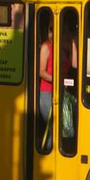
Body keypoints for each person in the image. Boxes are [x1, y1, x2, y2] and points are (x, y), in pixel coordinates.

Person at [39, 20, 54, 151]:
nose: (52, 33)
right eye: (50, 29)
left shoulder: (61, 46)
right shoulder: (46, 47)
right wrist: (57, 80)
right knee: (52, 128)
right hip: (46, 93)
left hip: (58, 92)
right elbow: (41, 72)